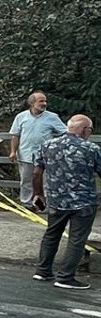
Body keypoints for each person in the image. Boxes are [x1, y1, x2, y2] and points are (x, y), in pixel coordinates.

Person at [30, 114, 101, 290]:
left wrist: (38, 194)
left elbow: (36, 173)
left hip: (56, 200)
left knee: (51, 234)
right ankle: (65, 277)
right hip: (83, 202)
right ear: (86, 129)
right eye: (89, 130)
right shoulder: (91, 148)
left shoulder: (47, 145)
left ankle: (43, 270)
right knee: (77, 240)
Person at [8, 92, 68, 208]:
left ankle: (45, 205)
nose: (44, 103)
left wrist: (58, 148)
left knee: (46, 182)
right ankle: (26, 203)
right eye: (41, 101)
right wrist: (12, 151)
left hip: (46, 156)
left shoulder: (52, 117)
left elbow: (65, 132)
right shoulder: (21, 117)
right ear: (32, 103)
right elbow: (15, 135)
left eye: (45, 101)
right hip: (26, 154)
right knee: (26, 181)